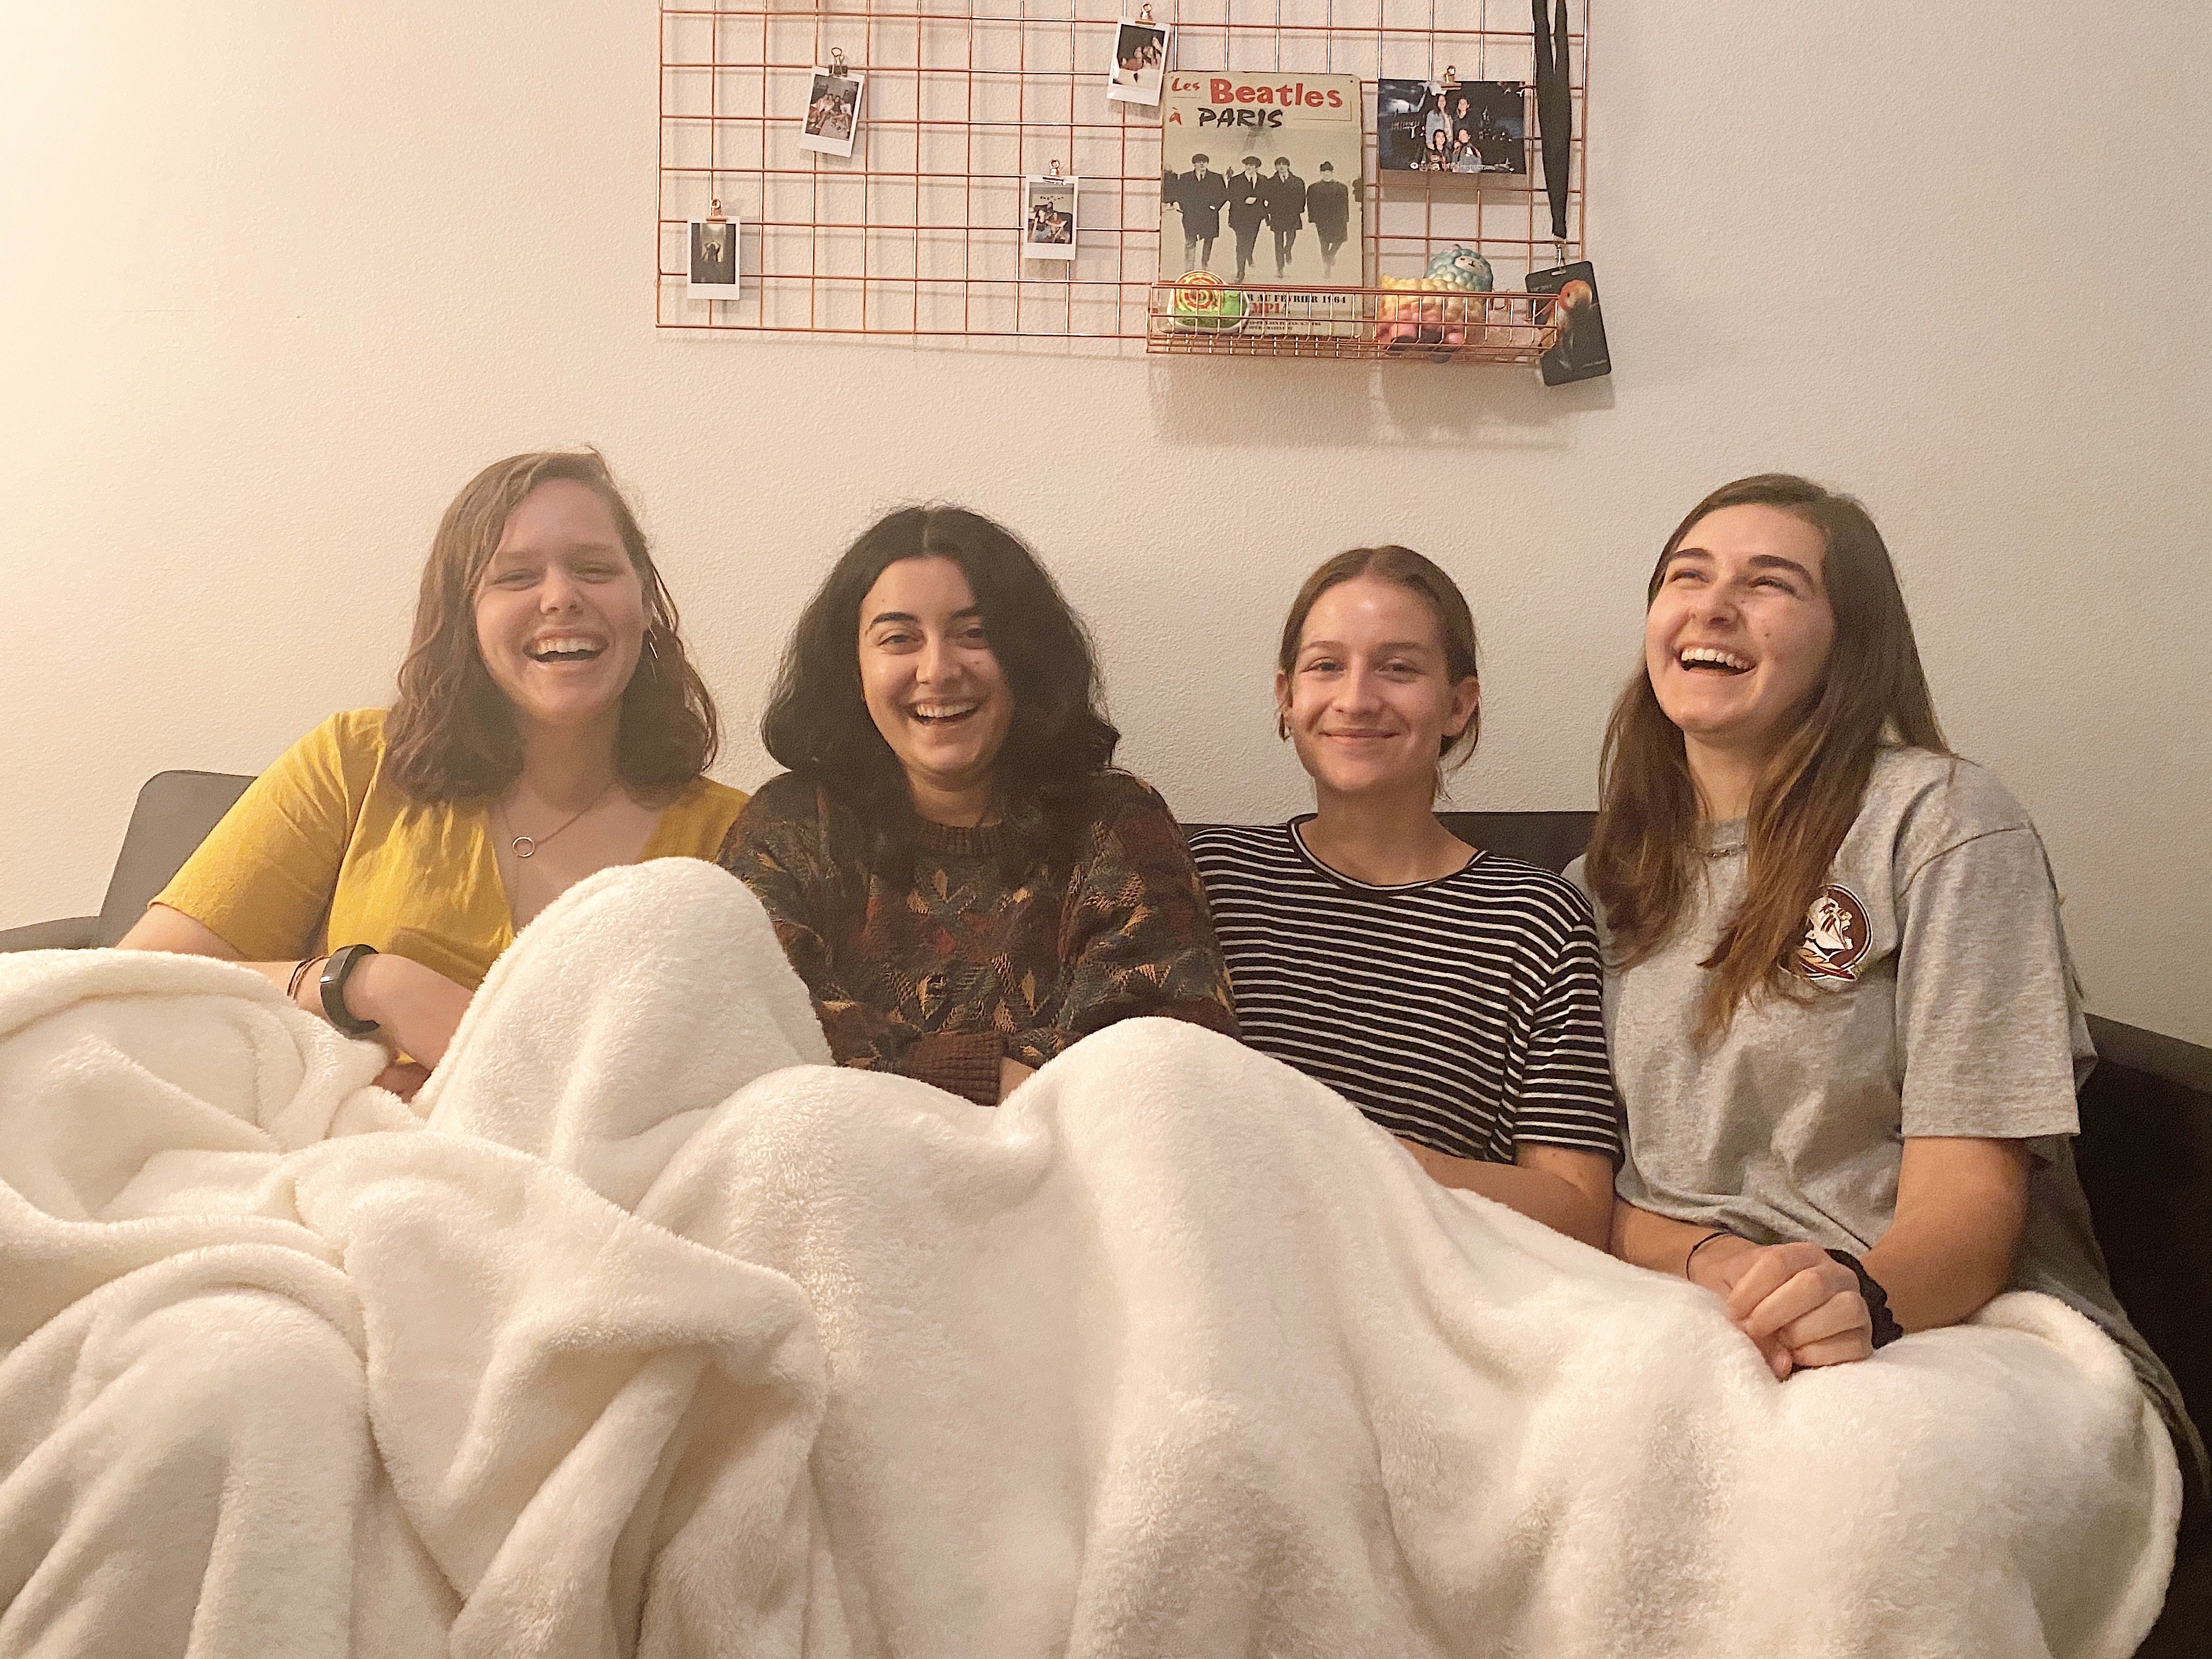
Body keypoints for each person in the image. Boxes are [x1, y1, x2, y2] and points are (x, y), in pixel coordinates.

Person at [1575, 473, 2204, 1449]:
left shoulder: (1942, 821)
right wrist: (1711, 1265)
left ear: (1849, 638)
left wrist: (1855, 1298)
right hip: (1675, 1311)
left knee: (1852, 1493)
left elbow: (1968, 1207)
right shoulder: (1595, 883)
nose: (1712, 604)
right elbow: (1578, 1182)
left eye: (1770, 583)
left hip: (1948, 1323)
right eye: (1684, 576)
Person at [119, 450, 742, 1098]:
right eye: (516, 577)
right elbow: (137, 979)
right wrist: (368, 984)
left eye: (594, 570)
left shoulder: (741, 835)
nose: (561, 597)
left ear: (645, 604)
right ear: (464, 616)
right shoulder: (351, 762)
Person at [719, 506, 1237, 1107]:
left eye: (976, 635)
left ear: (1027, 660)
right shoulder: (791, 825)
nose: (938, 671)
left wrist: (889, 1068)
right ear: (853, 671)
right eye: (899, 639)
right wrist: (985, 1074)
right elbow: (743, 1025)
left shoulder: (1115, 822)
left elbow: (1170, 1054)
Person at [1186, 548, 1620, 1250]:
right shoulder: (1205, 878)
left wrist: (1355, 1158)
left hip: (1432, 1293)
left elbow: (1576, 1209)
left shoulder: (1535, 917)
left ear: (1458, 704)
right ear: (1285, 696)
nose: (1356, 700)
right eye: (1326, 665)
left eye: (1399, 668)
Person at [1169, 153, 1227, 270]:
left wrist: (1215, 207)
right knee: (1190, 241)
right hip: (1191, 215)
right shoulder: (1185, 178)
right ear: (1194, 164)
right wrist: (1184, 207)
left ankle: (1204, 266)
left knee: (1208, 240)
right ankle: (1189, 270)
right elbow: (1179, 194)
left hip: (1209, 215)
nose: (1202, 164)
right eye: (1199, 162)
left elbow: (1223, 195)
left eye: (1204, 162)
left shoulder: (1216, 178)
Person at [1226, 156, 1269, 284]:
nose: (1249, 168)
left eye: (1252, 165)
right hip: (1240, 216)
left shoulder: (1263, 179)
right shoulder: (1236, 180)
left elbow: (1266, 194)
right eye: (1247, 165)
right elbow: (1230, 196)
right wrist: (1244, 200)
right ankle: (1241, 272)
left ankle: (1249, 255)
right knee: (1241, 244)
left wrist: (1258, 200)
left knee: (1251, 240)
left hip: (1256, 217)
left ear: (1257, 167)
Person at [1261, 157, 1306, 279]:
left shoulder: (1297, 181)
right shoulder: (1270, 182)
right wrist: (1267, 216)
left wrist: (1299, 210)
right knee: (1278, 242)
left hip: (1293, 214)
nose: (1281, 167)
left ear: (1288, 166)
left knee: (1291, 236)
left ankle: (1287, 251)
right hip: (1277, 215)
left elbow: (1302, 197)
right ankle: (1280, 268)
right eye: (1278, 165)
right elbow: (1265, 199)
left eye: (1284, 164)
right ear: (1276, 167)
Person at [1304, 161, 1350, 277]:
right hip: (1322, 221)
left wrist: (1345, 219)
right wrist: (1313, 218)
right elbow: (1311, 204)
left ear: (1332, 172)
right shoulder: (1314, 188)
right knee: (1324, 243)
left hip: (1338, 220)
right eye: (1324, 172)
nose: (1326, 174)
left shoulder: (1341, 187)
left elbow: (1345, 204)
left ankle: (1330, 257)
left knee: (1339, 240)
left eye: (1328, 172)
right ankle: (1327, 269)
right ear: (1320, 173)